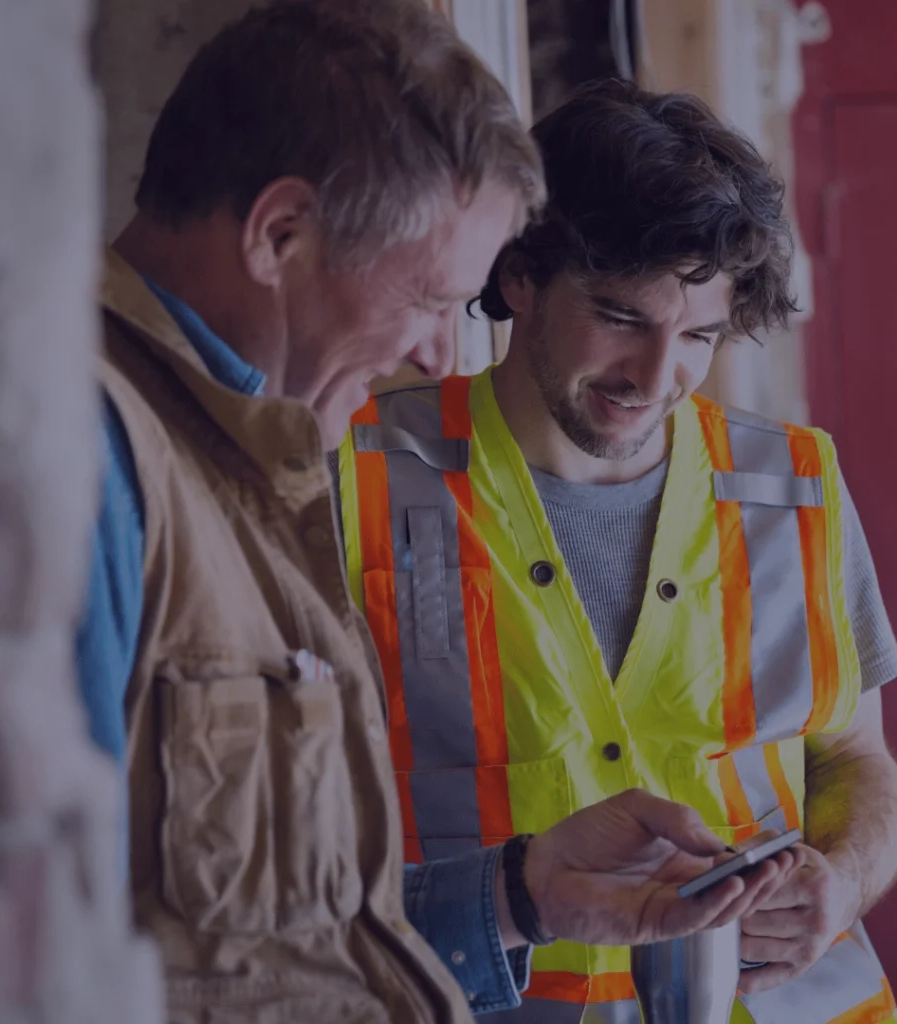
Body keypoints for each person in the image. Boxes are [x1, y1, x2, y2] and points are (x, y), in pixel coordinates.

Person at [76, 5, 793, 1022]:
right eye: (426, 297)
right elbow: (29, 958)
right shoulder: (74, 462)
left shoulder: (243, 455)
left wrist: (522, 891)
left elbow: (256, 941)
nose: (439, 357)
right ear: (280, 233)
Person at [335, 79, 897, 1023]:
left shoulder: (793, 481)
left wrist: (844, 880)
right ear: (520, 277)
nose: (658, 377)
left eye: (699, 334)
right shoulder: (353, 477)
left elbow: (856, 760)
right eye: (620, 318)